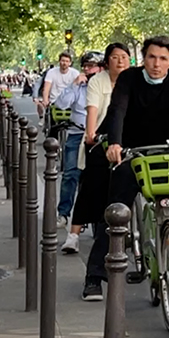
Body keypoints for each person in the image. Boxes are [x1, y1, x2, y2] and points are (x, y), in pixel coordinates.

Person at [81, 36, 169, 301]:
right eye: (151, 57)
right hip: (132, 149)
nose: (156, 64)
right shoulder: (129, 78)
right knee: (116, 211)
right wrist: (115, 143)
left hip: (166, 147)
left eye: (163, 59)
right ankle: (94, 275)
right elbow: (117, 111)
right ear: (143, 58)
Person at [73, 43, 131, 300]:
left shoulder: (137, 81)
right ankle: (94, 276)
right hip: (105, 142)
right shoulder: (98, 81)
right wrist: (91, 135)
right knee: (104, 205)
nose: (120, 61)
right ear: (107, 62)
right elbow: (98, 111)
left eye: (125, 57)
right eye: (115, 57)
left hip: (133, 145)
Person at [52, 50, 102, 254]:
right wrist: (74, 85)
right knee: (71, 172)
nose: (88, 70)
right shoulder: (78, 86)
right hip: (77, 133)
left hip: (99, 137)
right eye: (85, 67)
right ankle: (63, 213)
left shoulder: (105, 85)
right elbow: (61, 104)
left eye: (92, 66)